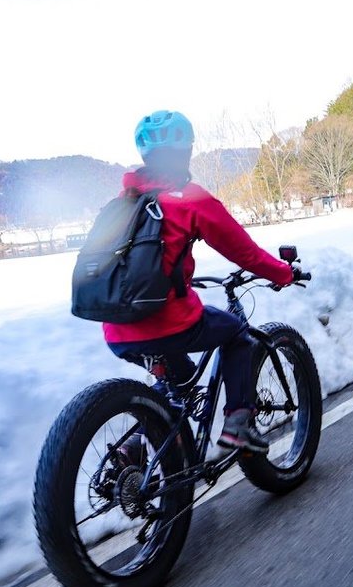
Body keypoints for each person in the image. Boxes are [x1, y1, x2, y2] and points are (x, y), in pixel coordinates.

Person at [104, 110, 297, 456]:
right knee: (238, 334)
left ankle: (139, 446)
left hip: (117, 329)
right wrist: (284, 273)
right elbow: (246, 254)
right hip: (169, 320)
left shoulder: (122, 202)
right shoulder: (189, 197)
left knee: (178, 379)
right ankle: (239, 424)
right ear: (185, 152)